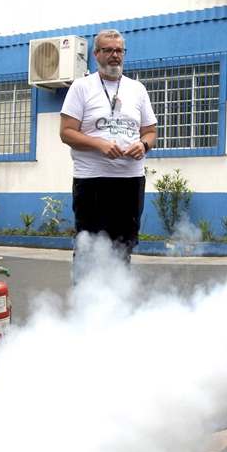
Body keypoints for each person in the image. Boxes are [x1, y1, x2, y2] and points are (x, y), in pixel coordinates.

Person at [59, 29, 157, 276]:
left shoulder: (137, 89)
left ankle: (116, 304)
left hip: (130, 181)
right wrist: (99, 145)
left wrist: (143, 145)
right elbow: (67, 133)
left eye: (119, 50)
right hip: (93, 181)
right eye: (108, 50)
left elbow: (150, 132)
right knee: (89, 246)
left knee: (123, 246)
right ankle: (85, 304)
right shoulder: (81, 87)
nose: (115, 55)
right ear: (96, 54)